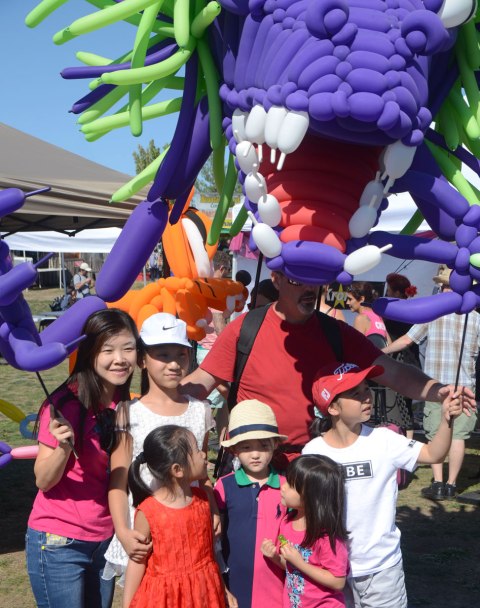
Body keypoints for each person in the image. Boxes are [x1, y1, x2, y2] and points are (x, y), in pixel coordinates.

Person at [181, 271, 473, 462]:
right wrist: (154, 402)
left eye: (314, 279)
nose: (310, 288)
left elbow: (392, 372)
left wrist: (439, 391)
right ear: (277, 279)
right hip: (256, 467)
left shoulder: (336, 332)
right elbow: (201, 381)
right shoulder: (246, 328)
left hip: (317, 465)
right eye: (298, 279)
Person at [302, 362, 462, 608]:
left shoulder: (385, 440)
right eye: (355, 393)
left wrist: (446, 420)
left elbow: (433, 454)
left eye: (367, 389)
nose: (367, 397)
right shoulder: (313, 452)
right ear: (332, 407)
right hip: (332, 569)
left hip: (382, 568)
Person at [25, 309, 139, 608]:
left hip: (104, 539)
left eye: (128, 348)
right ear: (90, 354)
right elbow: (43, 481)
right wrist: (63, 448)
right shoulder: (64, 405)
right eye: (108, 350)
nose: (120, 358)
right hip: (59, 542)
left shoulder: (123, 405)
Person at [104, 312, 216, 583]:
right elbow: (118, 480)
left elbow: (202, 475)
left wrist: (212, 512)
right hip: (145, 534)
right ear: (142, 359)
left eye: (181, 355)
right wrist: (123, 531)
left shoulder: (200, 410)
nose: (174, 364)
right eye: (163, 355)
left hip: (190, 529)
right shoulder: (128, 412)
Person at [382, 266, 480, 500]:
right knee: (459, 437)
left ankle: (437, 483)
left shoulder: (432, 313)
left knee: (436, 432)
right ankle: (452, 484)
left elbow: (407, 340)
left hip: (435, 387)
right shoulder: (476, 318)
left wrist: (380, 351)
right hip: (465, 385)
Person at [122, 425, 227, 608]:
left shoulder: (202, 500)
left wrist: (224, 590)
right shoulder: (149, 512)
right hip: (165, 599)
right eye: (196, 450)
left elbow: (209, 556)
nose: (203, 454)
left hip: (205, 594)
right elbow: (137, 562)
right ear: (177, 470)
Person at [214, 400, 288, 608]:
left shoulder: (287, 487)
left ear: (274, 444)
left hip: (278, 586)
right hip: (234, 585)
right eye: (246, 447)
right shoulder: (223, 485)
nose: (255, 454)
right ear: (235, 449)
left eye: (263, 446)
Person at [261, 455, 349, 608]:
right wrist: (275, 557)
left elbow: (338, 581)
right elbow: (292, 564)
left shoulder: (327, 536)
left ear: (310, 496)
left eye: (290, 485)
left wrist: (299, 563)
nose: (283, 486)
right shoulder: (287, 522)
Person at [383, 273, 420, 438]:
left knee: (400, 408)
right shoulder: (412, 310)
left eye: (389, 291)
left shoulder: (394, 313)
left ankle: (406, 445)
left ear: (397, 293)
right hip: (409, 362)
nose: (387, 294)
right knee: (404, 407)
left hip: (400, 361)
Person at [346, 282, 389, 346]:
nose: (347, 302)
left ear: (361, 299)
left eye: (350, 299)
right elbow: (389, 344)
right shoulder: (378, 316)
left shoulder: (361, 318)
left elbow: (355, 348)